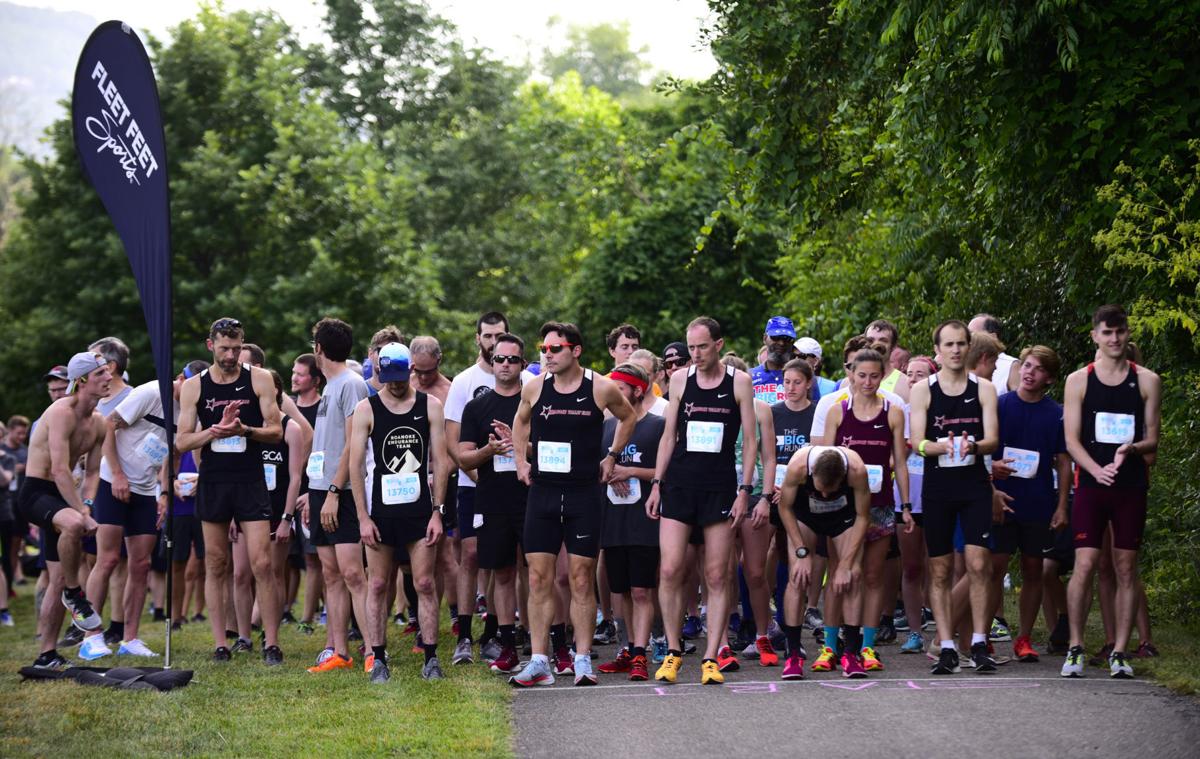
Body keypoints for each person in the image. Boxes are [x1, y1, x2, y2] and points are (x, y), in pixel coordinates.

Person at [508, 321, 636, 687]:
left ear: (575, 351)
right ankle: (538, 660)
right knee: (538, 578)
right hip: (543, 492)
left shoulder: (601, 387)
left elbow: (628, 417)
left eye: (555, 349)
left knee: (581, 578)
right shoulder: (534, 387)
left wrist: (611, 456)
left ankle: (581, 660)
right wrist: (520, 462)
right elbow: (520, 423)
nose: (547, 355)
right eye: (544, 349)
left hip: (583, 493)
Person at [647, 316, 757, 686]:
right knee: (670, 569)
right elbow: (668, 437)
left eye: (702, 347)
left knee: (716, 573)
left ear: (719, 344)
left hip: (720, 488)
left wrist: (745, 490)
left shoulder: (739, 382)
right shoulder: (680, 380)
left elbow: (751, 443)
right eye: (691, 347)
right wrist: (657, 484)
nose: (695, 354)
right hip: (679, 484)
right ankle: (674, 651)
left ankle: (712, 656)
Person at [175, 318, 285, 665]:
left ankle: (270, 642)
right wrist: (215, 432)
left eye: (237, 348)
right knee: (217, 562)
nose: (231, 355)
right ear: (211, 346)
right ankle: (222, 642)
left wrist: (245, 429)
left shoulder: (259, 379)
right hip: (215, 480)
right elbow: (181, 442)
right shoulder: (194, 387)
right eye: (224, 348)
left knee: (262, 563)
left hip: (250, 479)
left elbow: (277, 431)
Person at [1061, 305, 1160, 679]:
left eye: (1120, 332)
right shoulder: (1078, 380)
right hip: (1092, 484)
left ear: (1127, 333)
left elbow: (1153, 440)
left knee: (1125, 566)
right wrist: (1094, 469)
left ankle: (1120, 650)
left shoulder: (1147, 380)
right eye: (1107, 333)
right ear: (1095, 337)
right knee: (1084, 564)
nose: (1114, 339)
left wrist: (1131, 449)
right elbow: (1071, 439)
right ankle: (1075, 646)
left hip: (1130, 485)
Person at [79, 353, 192, 660]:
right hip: (111, 482)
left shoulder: (189, 407)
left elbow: (176, 453)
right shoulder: (151, 392)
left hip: (145, 490)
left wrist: (165, 493)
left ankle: (130, 638)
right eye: (191, 386)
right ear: (180, 379)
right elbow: (108, 427)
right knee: (108, 559)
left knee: (141, 565)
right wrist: (116, 474)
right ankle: (91, 636)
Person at [349, 343, 449, 683]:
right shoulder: (367, 409)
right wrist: (363, 517)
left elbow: (442, 461)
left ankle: (432, 657)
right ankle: (378, 658)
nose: (393, 384)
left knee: (423, 582)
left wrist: (438, 512)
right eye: (386, 377)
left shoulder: (430, 405)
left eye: (399, 377)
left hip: (419, 511)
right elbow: (355, 466)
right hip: (380, 513)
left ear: (410, 371)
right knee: (377, 584)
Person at [909, 320, 1001, 675]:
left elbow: (993, 438)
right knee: (941, 569)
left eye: (961, 344)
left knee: (980, 565)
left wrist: (973, 445)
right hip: (938, 486)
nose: (956, 350)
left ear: (969, 347)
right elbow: (916, 441)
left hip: (974, 483)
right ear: (938, 350)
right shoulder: (923, 390)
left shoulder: (984, 388)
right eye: (948, 344)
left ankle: (978, 641)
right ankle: (946, 645)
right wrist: (939, 446)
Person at [819, 347, 912, 672]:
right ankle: (830, 647)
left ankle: (866, 646)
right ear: (851, 375)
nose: (868, 382)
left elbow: (900, 462)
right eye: (862, 375)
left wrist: (907, 505)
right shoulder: (837, 411)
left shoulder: (893, 412)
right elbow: (823, 462)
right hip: (841, 507)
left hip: (880, 504)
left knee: (873, 578)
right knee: (842, 576)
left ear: (883, 375)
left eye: (875, 376)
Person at [17, 351, 111, 669]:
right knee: (72, 525)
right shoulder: (61, 412)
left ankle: (46, 654)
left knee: (56, 577)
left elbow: (94, 472)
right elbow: (59, 469)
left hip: (63, 498)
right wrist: (81, 514)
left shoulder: (99, 423)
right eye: (101, 374)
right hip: (37, 492)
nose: (109, 377)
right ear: (82, 381)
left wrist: (86, 504)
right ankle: (75, 593)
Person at [444, 313, 524, 655]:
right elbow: (457, 449)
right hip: (480, 489)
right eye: (492, 344)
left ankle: (525, 637)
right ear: (480, 341)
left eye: (510, 356)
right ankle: (474, 634)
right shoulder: (468, 390)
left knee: (530, 567)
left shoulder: (533, 397)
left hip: (526, 491)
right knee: (481, 559)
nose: (502, 358)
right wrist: (487, 458)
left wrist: (519, 451)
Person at [990, 346, 1070, 663]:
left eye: (1037, 368)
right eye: (1026, 365)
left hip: (1038, 501)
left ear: (1048, 377)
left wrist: (1062, 506)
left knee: (1033, 569)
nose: (1028, 372)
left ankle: (1023, 637)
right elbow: (985, 450)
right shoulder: (1000, 405)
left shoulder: (1056, 413)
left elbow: (1064, 463)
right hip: (1002, 498)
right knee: (994, 568)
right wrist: (990, 484)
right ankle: (986, 635)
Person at [303, 317, 371, 673]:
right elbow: (325, 447)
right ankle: (339, 651)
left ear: (319, 349)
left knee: (353, 574)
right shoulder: (330, 385)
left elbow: (351, 445)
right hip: (320, 490)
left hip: (341, 494)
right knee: (331, 574)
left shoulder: (352, 384)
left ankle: (374, 651)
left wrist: (332, 491)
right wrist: (312, 492)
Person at [776, 443, 873, 679]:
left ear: (843, 477)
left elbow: (863, 517)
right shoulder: (799, 465)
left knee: (852, 576)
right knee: (797, 578)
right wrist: (801, 552)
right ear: (812, 474)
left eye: (832, 490)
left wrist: (845, 564)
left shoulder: (857, 469)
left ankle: (850, 653)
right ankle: (793, 655)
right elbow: (785, 508)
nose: (826, 495)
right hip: (805, 516)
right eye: (821, 489)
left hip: (843, 517)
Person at [594, 362, 664, 681]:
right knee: (619, 590)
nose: (613, 395)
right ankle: (625, 648)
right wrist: (608, 474)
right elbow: (596, 470)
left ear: (637, 390)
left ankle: (640, 653)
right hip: (612, 518)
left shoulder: (657, 425)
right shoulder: (606, 427)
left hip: (644, 520)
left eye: (620, 389)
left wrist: (631, 471)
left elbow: (667, 472)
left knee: (641, 591)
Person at [291, 353, 324, 634]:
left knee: (313, 557)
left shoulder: (323, 409)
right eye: (293, 372)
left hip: (312, 490)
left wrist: (312, 491)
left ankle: (308, 617)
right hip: (286, 491)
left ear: (314, 380)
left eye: (300, 374)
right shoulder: (286, 408)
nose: (294, 377)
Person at [750, 316, 798, 404]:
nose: (781, 343)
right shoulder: (749, 377)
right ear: (765, 338)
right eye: (775, 337)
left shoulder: (804, 378)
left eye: (787, 339)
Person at [969, 314, 1020, 394]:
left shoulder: (1012, 365)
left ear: (993, 337)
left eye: (973, 334)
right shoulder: (964, 365)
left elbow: (1020, 403)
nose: (968, 339)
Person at [864, 320, 910, 401]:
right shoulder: (849, 382)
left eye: (883, 340)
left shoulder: (904, 384)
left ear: (893, 347)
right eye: (870, 340)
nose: (876, 344)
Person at [794, 337, 837, 401]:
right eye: (793, 356)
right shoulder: (786, 385)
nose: (795, 360)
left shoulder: (832, 387)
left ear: (815, 361)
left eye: (801, 356)